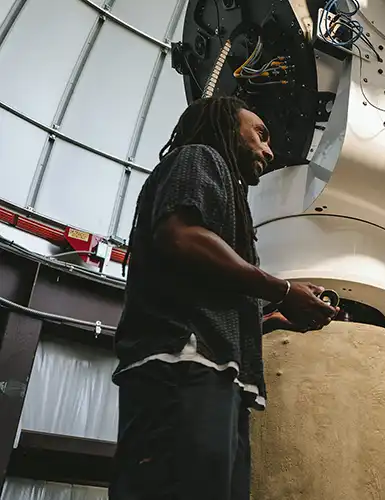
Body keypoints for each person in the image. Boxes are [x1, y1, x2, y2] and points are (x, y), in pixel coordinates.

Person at [109, 96, 340, 500]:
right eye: (260, 135)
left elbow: (208, 285)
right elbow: (181, 236)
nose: (269, 150)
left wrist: (267, 317)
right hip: (180, 365)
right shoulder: (199, 157)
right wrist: (282, 291)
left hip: (210, 372)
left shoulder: (230, 192)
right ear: (225, 126)